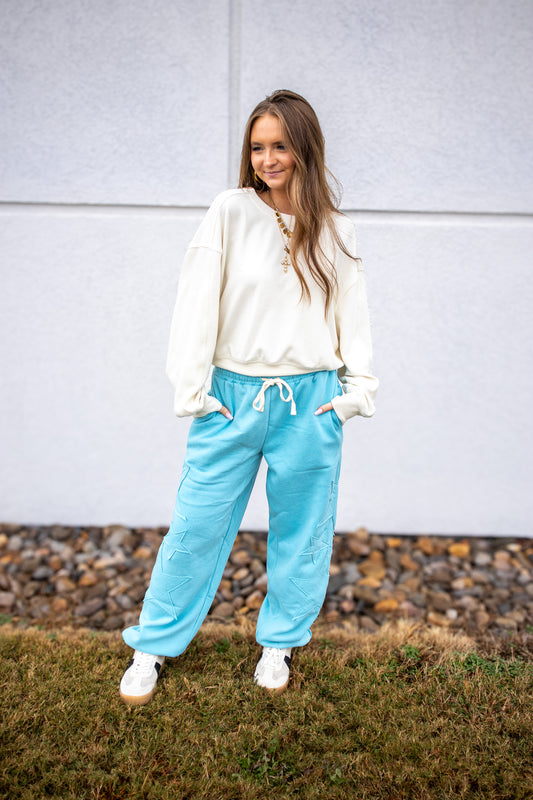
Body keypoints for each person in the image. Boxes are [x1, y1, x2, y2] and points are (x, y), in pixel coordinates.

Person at [119, 89, 378, 705]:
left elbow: (353, 317)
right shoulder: (230, 212)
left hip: (310, 404)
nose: (268, 158)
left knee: (304, 531)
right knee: (195, 526)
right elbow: (196, 302)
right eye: (258, 147)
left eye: (280, 146)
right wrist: (195, 389)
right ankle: (151, 648)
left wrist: (354, 395)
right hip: (232, 399)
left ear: (304, 149)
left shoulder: (336, 230)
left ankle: (280, 643)